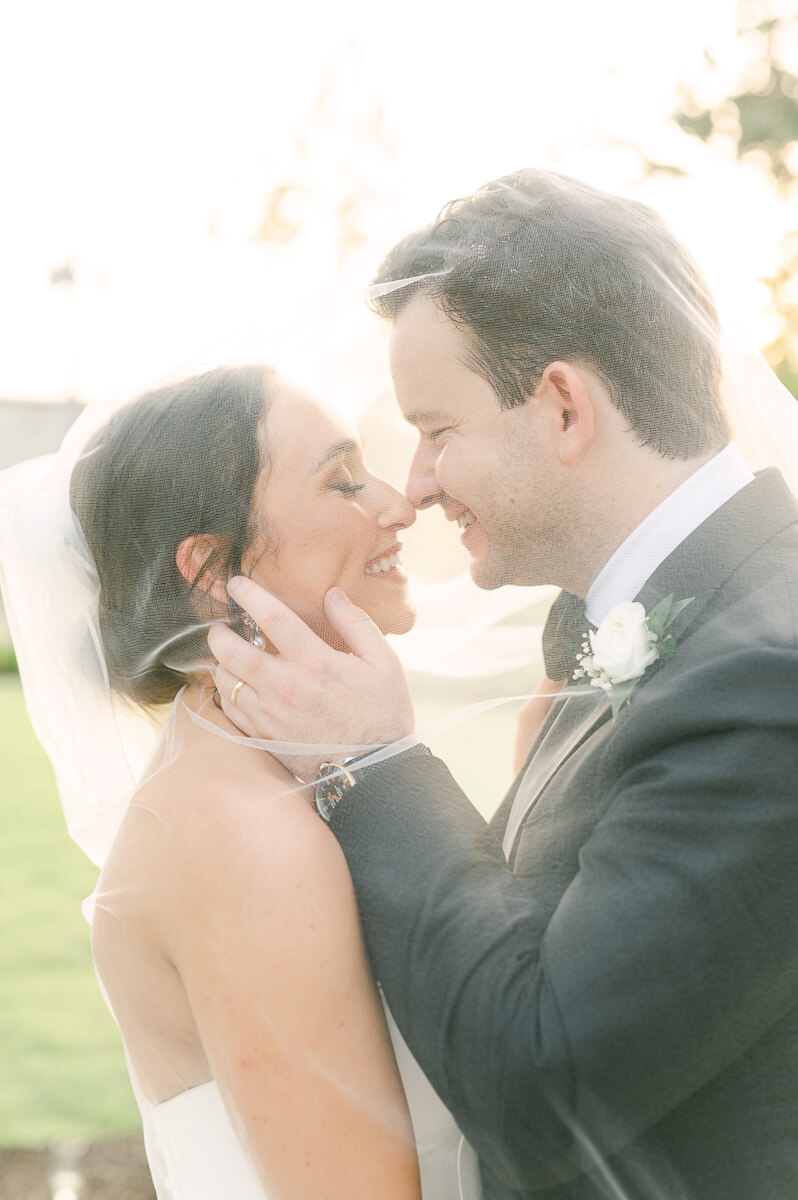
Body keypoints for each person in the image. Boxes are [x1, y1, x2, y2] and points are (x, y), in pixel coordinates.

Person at [210, 171, 798, 1199]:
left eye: (437, 430)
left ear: (564, 407)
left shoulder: (765, 676)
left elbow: (546, 1086)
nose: (419, 483)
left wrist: (376, 762)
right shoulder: (680, 628)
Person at [49, 365, 484, 1200]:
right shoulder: (244, 834)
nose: (398, 504)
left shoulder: (253, 776)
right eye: (344, 481)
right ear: (211, 571)